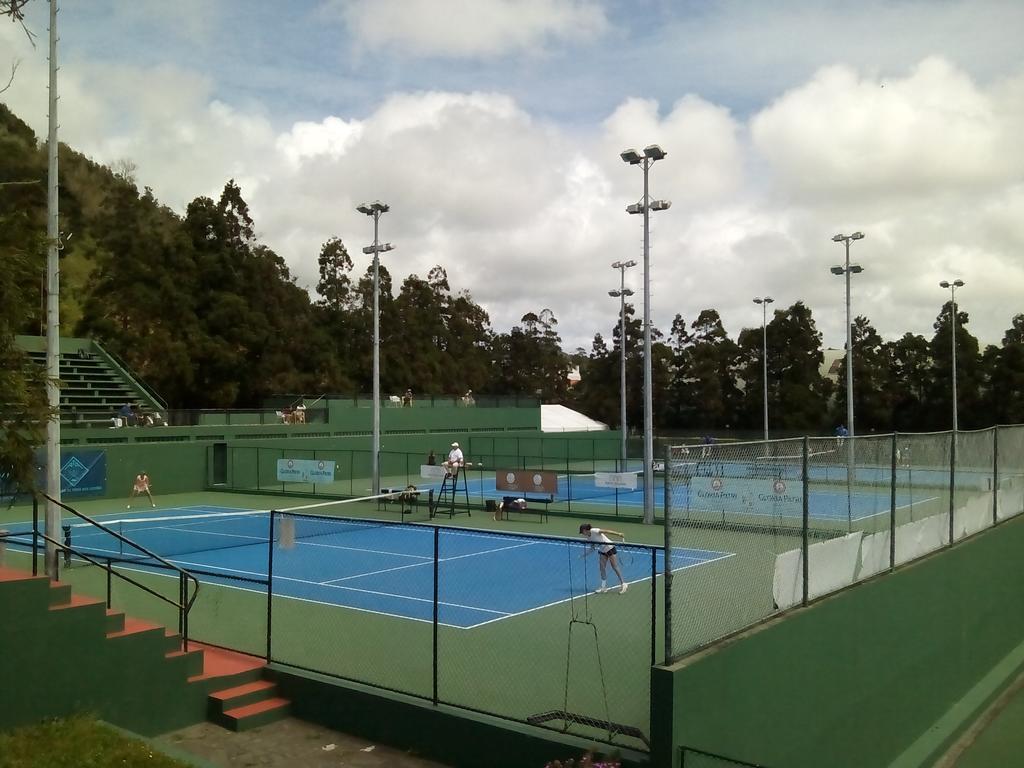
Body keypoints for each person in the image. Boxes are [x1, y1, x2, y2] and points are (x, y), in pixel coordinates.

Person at [579, 523, 628, 594]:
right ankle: (603, 587)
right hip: (602, 550)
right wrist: (584, 555)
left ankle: (623, 584)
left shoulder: (595, 531)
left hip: (610, 547)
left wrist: (619, 534)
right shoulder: (588, 537)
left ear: (585, 530)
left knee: (614, 566)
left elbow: (607, 531)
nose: (582, 534)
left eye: (582, 532)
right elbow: (592, 548)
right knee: (602, 568)